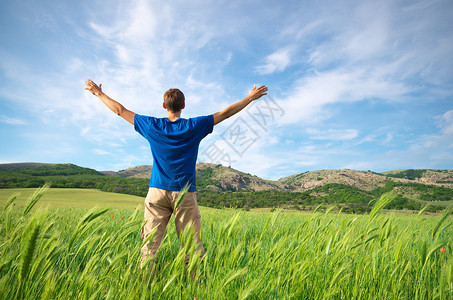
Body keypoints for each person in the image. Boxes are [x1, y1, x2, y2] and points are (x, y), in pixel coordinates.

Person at [84, 79, 268, 277]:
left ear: (164, 106)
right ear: (183, 106)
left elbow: (120, 110)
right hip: (185, 194)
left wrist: (98, 93)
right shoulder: (194, 126)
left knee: (150, 247)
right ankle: (194, 289)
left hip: (157, 192)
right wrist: (250, 98)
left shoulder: (152, 125)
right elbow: (224, 113)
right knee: (192, 248)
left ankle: (145, 286)